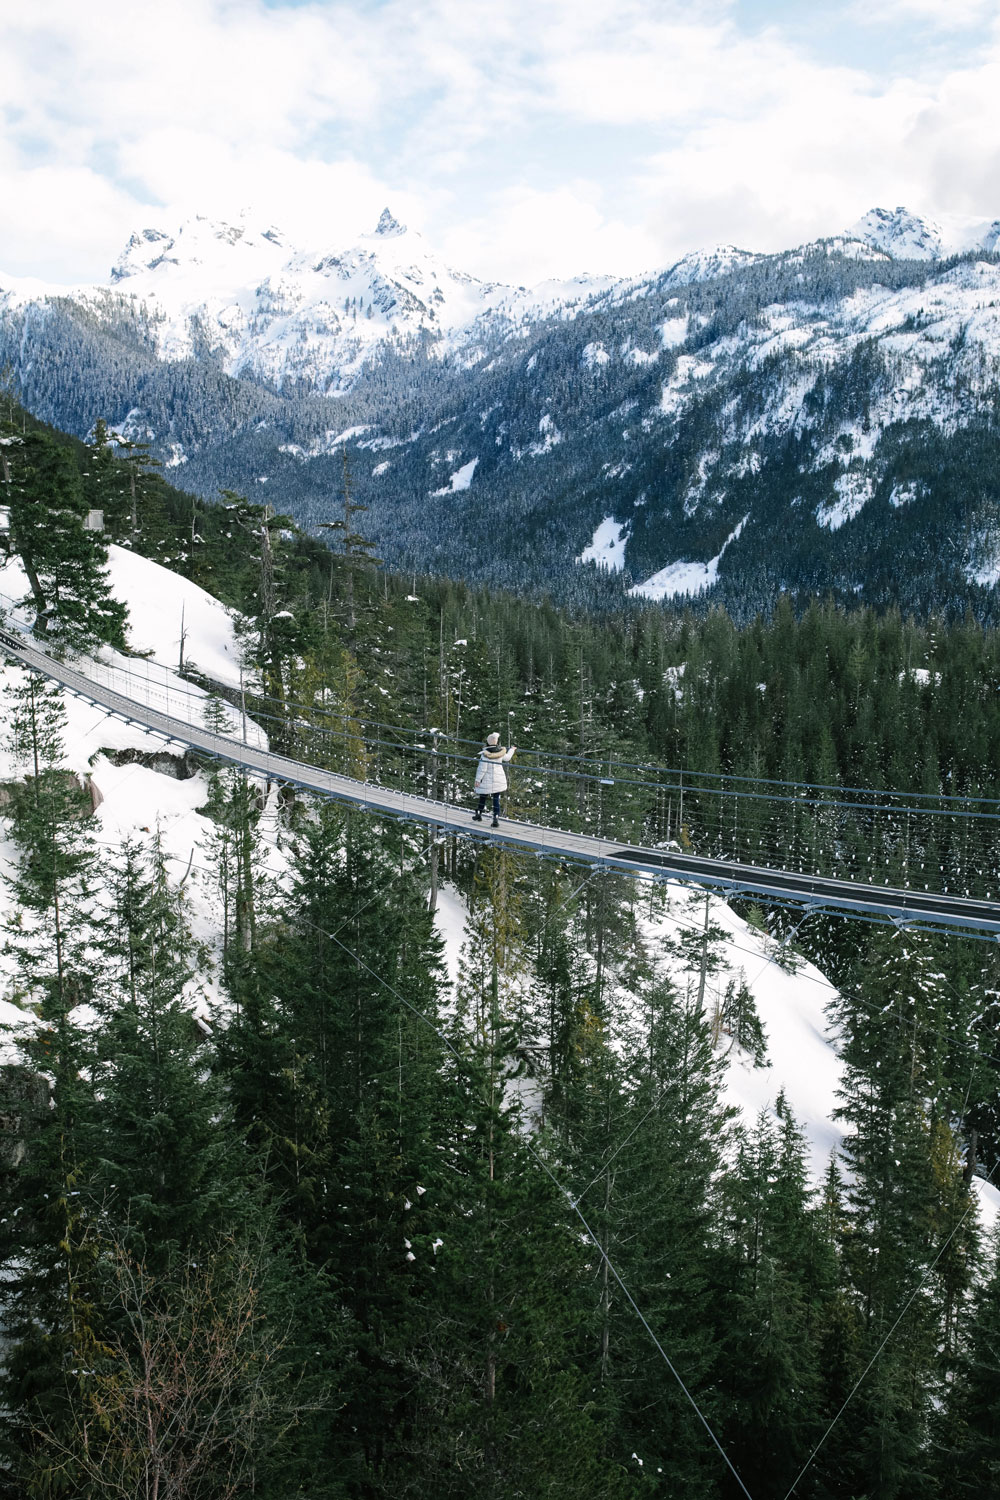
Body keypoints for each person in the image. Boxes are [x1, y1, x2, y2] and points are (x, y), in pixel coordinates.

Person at [473, 732, 516, 828]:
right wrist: (512, 750)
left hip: (486, 780)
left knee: (483, 796)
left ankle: (479, 814)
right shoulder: (500, 752)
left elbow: (482, 769)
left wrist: (477, 780)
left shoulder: (485, 754)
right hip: (498, 779)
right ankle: (495, 818)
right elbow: (507, 758)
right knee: (496, 798)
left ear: (488, 743)